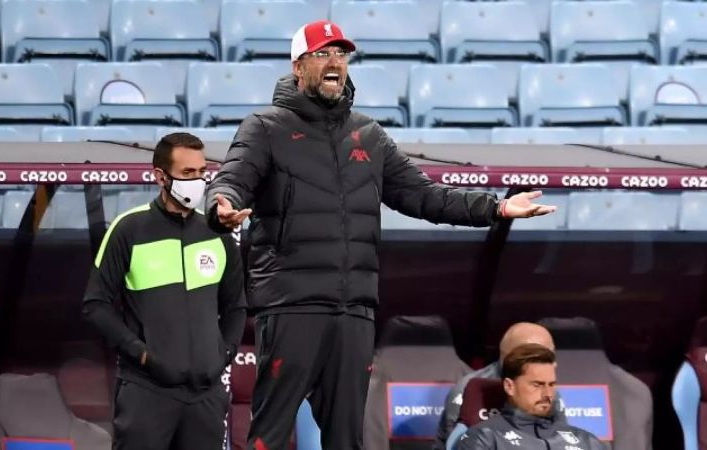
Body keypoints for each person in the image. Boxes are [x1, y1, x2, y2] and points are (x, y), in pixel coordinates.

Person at [204, 20, 557, 450]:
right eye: (323, 54)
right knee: (270, 435)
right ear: (299, 66)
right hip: (292, 305)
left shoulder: (368, 135)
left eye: (342, 55)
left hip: (355, 310)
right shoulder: (265, 127)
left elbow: (423, 195)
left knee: (346, 438)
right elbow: (231, 179)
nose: (335, 63)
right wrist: (220, 204)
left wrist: (496, 207)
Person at [83, 132, 250, 450]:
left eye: (202, 172)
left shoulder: (217, 234)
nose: (198, 181)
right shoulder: (128, 229)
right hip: (146, 393)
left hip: (206, 396)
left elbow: (236, 307)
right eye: (188, 173)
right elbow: (96, 305)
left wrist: (224, 356)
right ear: (160, 176)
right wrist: (141, 354)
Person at [457, 344, 605, 450]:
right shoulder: (484, 438)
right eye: (537, 385)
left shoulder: (587, 441)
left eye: (551, 384)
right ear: (510, 386)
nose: (547, 394)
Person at [435, 323, 558, 449]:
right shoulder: (470, 392)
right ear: (509, 359)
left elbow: (560, 438)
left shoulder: (548, 390)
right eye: (539, 360)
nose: (554, 365)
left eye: (551, 357)